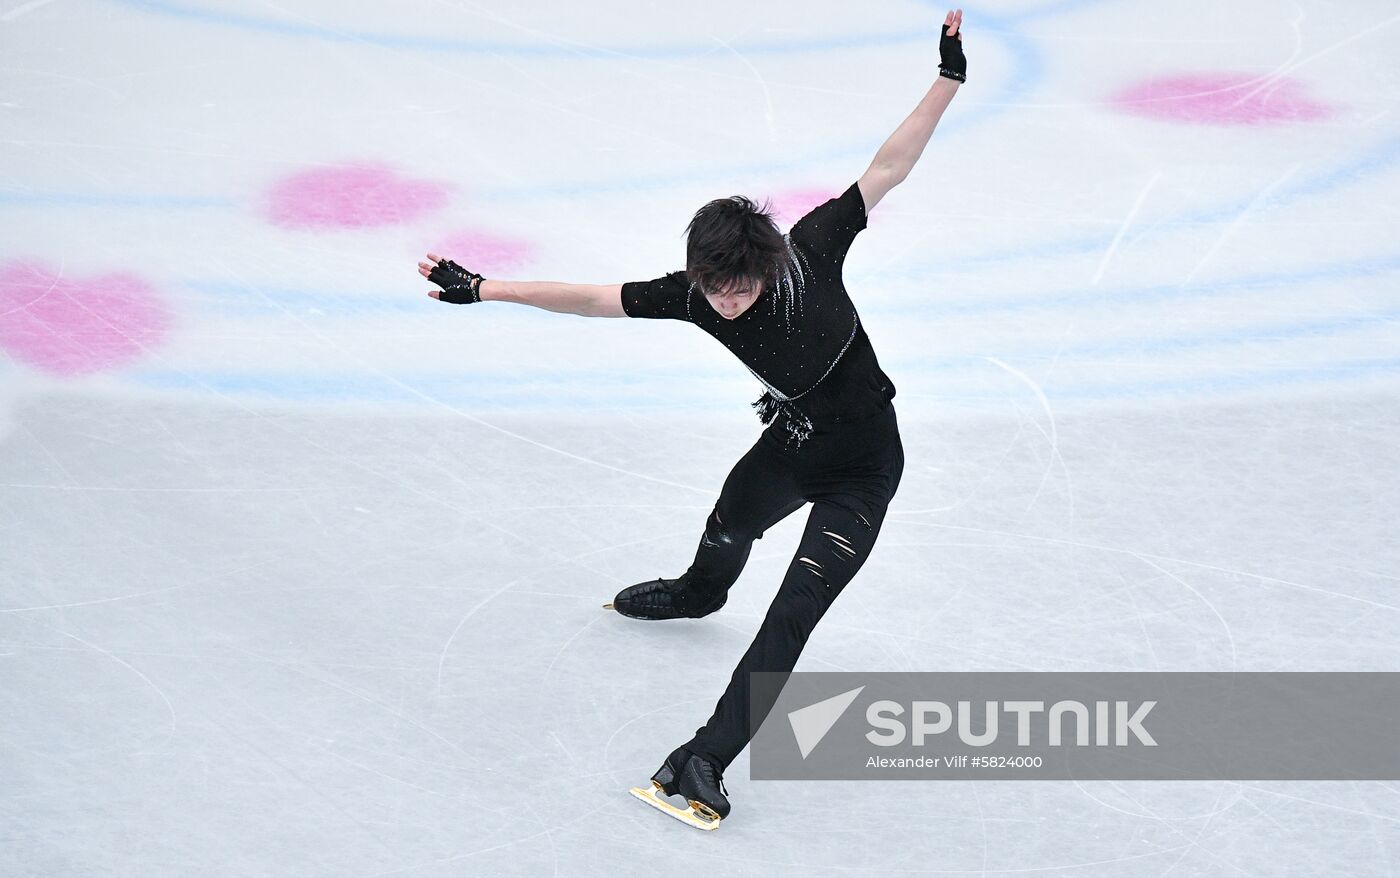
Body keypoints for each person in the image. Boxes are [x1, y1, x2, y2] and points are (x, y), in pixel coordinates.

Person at [417, 9, 966, 830]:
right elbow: (591, 298)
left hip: (864, 467)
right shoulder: (692, 294)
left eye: (740, 289)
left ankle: (702, 759)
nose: (728, 303)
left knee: (792, 614)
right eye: (715, 289)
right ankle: (700, 592)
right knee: (730, 518)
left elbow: (890, 165)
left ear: (767, 264)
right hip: (792, 442)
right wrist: (486, 287)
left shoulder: (812, 247)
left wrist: (947, 80)